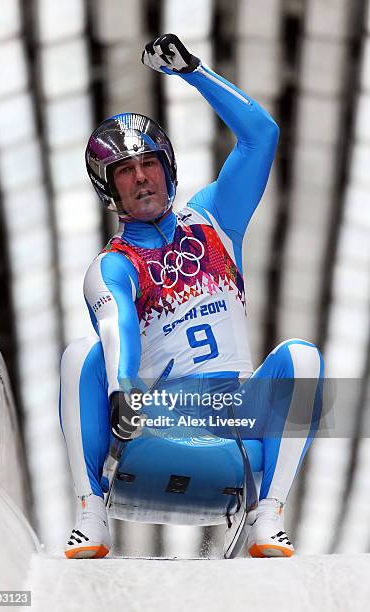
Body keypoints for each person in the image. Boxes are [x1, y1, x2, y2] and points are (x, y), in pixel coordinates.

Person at [60, 34, 324, 560]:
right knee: (78, 356)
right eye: (126, 172)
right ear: (110, 190)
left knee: (302, 356)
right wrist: (125, 397)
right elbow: (119, 335)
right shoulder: (111, 265)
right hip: (152, 425)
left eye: (149, 164)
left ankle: (267, 516)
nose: (141, 179)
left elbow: (261, 135)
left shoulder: (216, 219)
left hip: (233, 431)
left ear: (169, 167)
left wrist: (193, 71)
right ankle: (91, 512)